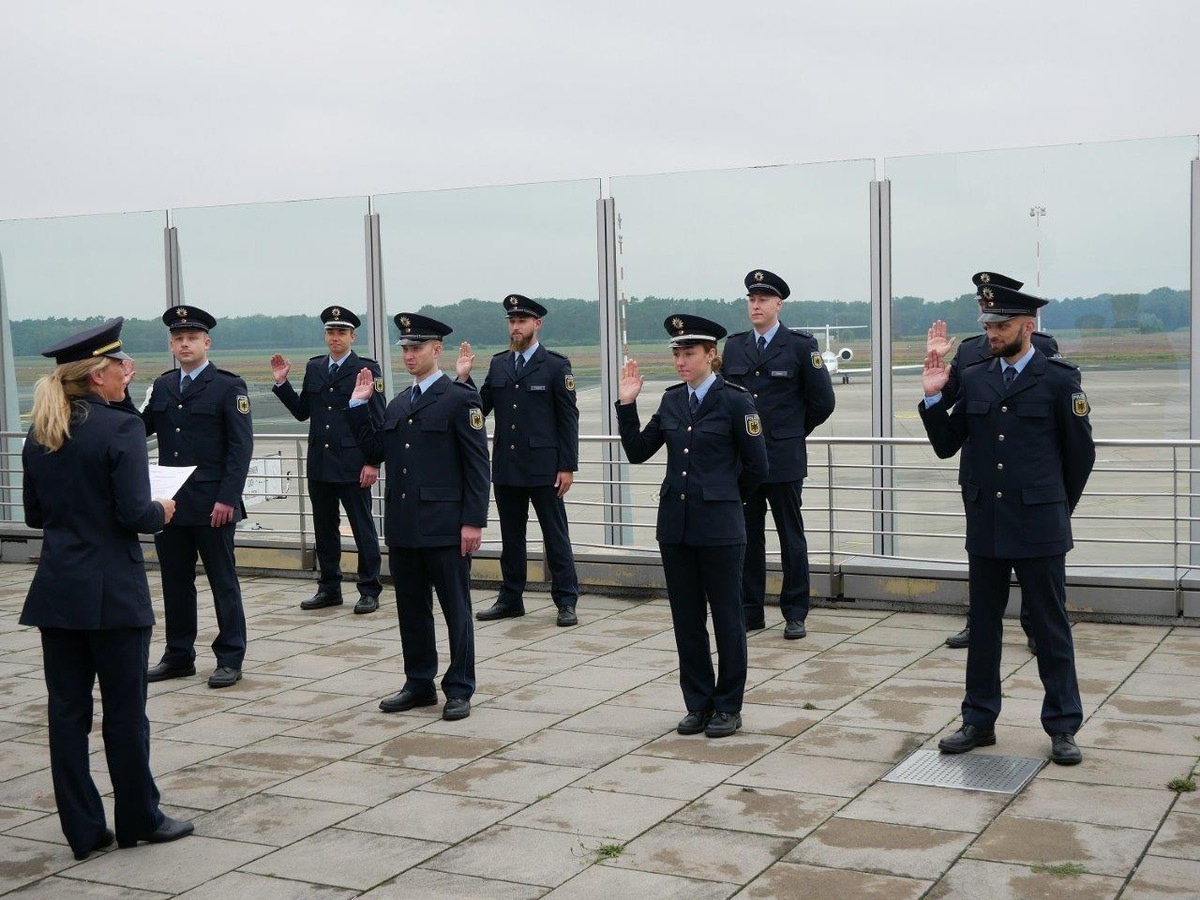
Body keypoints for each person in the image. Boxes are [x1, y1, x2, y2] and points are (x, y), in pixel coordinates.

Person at [22, 319, 193, 860]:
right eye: (121, 365)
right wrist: (161, 511)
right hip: (114, 595)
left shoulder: (41, 430)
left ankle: (84, 829)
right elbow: (133, 513)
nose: (128, 371)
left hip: (57, 592)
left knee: (67, 715)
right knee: (124, 713)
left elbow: (33, 514)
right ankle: (140, 817)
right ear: (98, 376)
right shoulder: (120, 429)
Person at [920, 281, 1094, 765]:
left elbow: (1080, 456)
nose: (992, 332)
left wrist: (1056, 509)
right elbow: (946, 444)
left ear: (1027, 326)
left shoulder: (1059, 379)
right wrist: (934, 398)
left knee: (1051, 627)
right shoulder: (975, 377)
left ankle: (1062, 725)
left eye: (1002, 325)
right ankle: (978, 719)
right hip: (988, 523)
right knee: (984, 626)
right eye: (989, 325)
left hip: (1039, 524)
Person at [617, 314, 768, 738]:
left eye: (689, 354)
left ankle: (728, 706)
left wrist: (725, 499)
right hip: (676, 529)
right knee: (686, 620)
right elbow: (637, 451)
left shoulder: (736, 401)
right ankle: (698, 703)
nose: (681, 361)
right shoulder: (671, 401)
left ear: (710, 356)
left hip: (720, 528)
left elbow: (758, 467)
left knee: (727, 618)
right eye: (677, 354)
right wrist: (627, 404)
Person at [348, 313, 490, 721]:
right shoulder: (398, 403)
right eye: (406, 349)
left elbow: (477, 465)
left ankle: (460, 687)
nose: (409, 355)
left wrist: (473, 521)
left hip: (446, 525)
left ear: (437, 349)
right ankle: (419, 682)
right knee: (411, 609)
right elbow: (375, 451)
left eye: (417, 348)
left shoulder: (460, 398)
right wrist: (358, 407)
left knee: (456, 610)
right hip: (405, 524)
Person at [928, 271, 1062, 654]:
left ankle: (1034, 626)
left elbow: (1068, 440)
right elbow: (951, 400)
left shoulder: (1043, 345)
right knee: (985, 563)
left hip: (1028, 478)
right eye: (982, 306)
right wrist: (937, 364)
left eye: (996, 310)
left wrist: (1056, 498)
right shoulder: (970, 350)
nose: (988, 317)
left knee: (1032, 565)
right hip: (981, 473)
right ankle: (978, 623)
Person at [141, 306, 253, 689]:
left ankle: (230, 657)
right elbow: (138, 428)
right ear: (172, 344)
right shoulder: (163, 385)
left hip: (213, 505)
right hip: (170, 504)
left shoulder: (227, 386)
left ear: (207, 342)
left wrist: (228, 499)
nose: (184, 344)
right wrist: (121, 395)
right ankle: (178, 656)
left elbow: (241, 448)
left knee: (223, 582)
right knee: (175, 582)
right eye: (178, 339)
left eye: (192, 338)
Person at [722, 269, 835, 640]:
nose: (756, 305)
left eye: (763, 299)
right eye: (752, 300)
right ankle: (750, 610)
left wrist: (790, 432)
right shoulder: (735, 346)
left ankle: (795, 612)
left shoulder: (800, 346)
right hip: (745, 462)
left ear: (778, 304)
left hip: (784, 459)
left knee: (791, 538)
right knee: (746, 538)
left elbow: (822, 402)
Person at [456, 294, 581, 627]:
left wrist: (567, 466)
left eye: (521, 321)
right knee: (512, 538)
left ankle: (566, 600)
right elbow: (478, 411)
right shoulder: (499, 364)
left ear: (536, 325)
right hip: (508, 468)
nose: (515, 327)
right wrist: (465, 380)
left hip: (545, 469)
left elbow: (568, 418)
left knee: (556, 537)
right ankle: (511, 598)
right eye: (511, 322)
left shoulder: (555, 365)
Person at [271, 306, 386, 614]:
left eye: (341, 333)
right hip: (320, 463)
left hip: (353, 463)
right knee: (324, 528)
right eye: (331, 332)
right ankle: (329, 587)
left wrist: (373, 461)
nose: (335, 338)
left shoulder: (366, 369)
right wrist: (282, 384)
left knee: (363, 529)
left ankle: (369, 588)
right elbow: (302, 412)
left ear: (352, 336)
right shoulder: (316, 367)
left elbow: (378, 419)